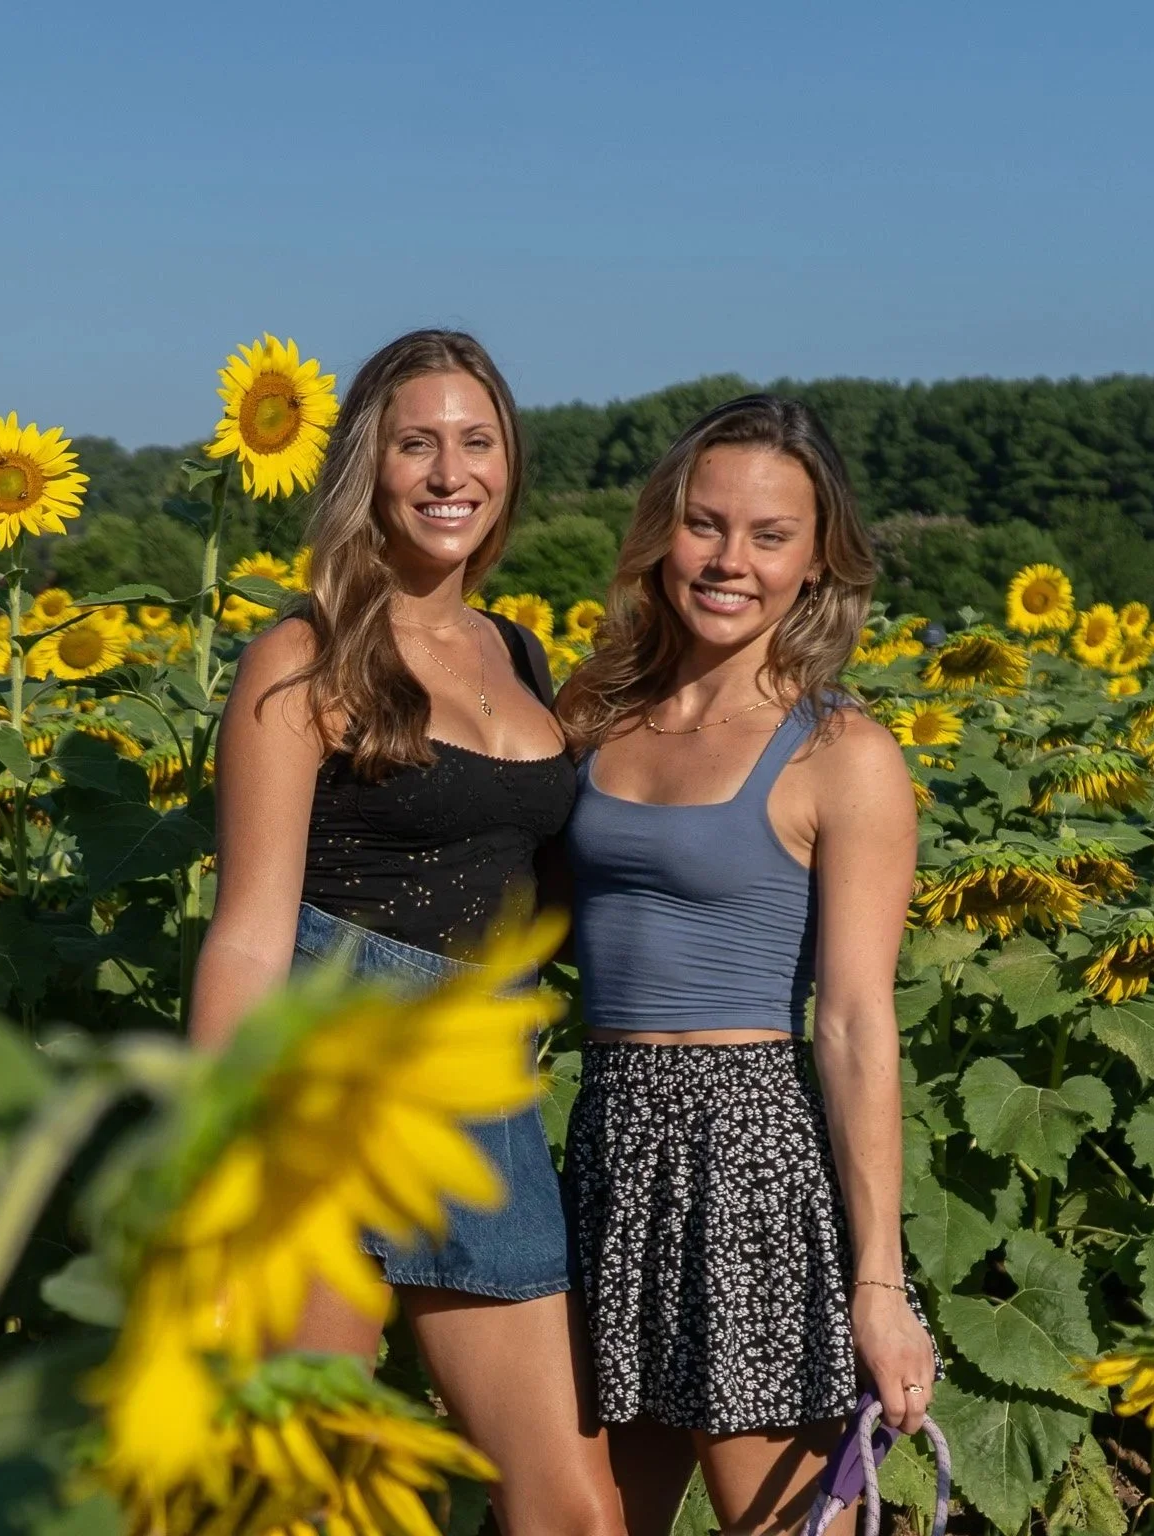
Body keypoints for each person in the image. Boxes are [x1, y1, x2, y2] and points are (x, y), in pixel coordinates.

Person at [190, 328, 624, 1534]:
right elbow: (244, 934)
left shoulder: (518, 652)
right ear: (364, 473)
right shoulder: (303, 656)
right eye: (414, 444)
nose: (449, 473)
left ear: (509, 464)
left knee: (571, 1508)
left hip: (479, 1095)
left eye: (474, 443)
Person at [555, 394, 938, 1536]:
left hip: (749, 1162)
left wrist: (879, 1283)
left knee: (766, 1525)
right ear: (658, 533)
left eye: (768, 536)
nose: (729, 561)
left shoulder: (841, 751)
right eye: (703, 524)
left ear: (816, 562)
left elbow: (857, 1025)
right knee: (577, 1517)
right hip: (607, 1141)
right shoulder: (593, 710)